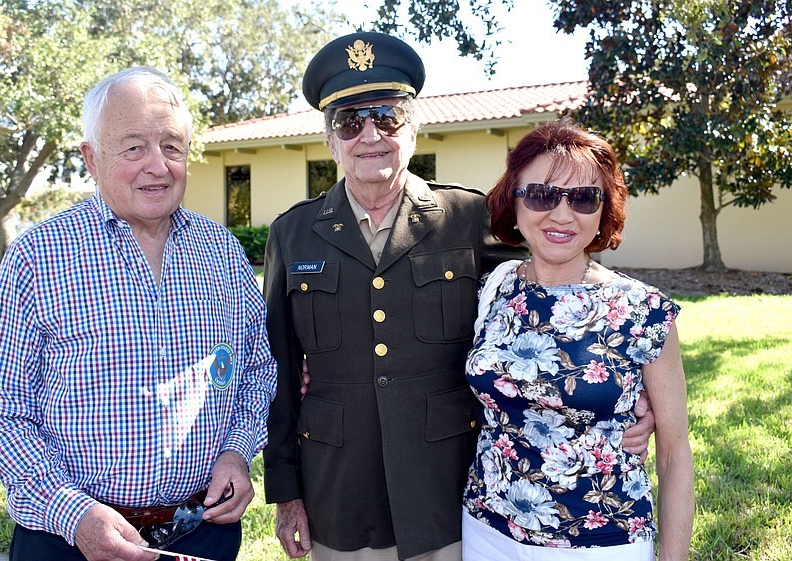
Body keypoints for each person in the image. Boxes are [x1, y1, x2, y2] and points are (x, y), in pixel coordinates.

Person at [262, 33, 656, 561]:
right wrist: (286, 494)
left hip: (444, 487)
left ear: (414, 128)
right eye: (349, 121)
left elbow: (554, 280)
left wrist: (634, 389)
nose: (370, 134)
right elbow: (280, 372)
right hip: (338, 489)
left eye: (387, 115)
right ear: (330, 139)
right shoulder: (294, 233)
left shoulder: (467, 218)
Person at [0, 66, 277, 561]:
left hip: (203, 531)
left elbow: (259, 370)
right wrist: (72, 513)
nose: (158, 166)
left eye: (172, 146)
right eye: (133, 148)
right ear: (91, 158)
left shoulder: (222, 251)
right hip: (68, 538)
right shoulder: (39, 255)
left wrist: (238, 451)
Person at [462, 118, 694, 560]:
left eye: (584, 198)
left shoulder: (643, 311)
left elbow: (675, 454)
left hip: (602, 542)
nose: (562, 214)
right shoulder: (493, 288)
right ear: (514, 200)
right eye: (542, 195)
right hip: (486, 529)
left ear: (604, 210)